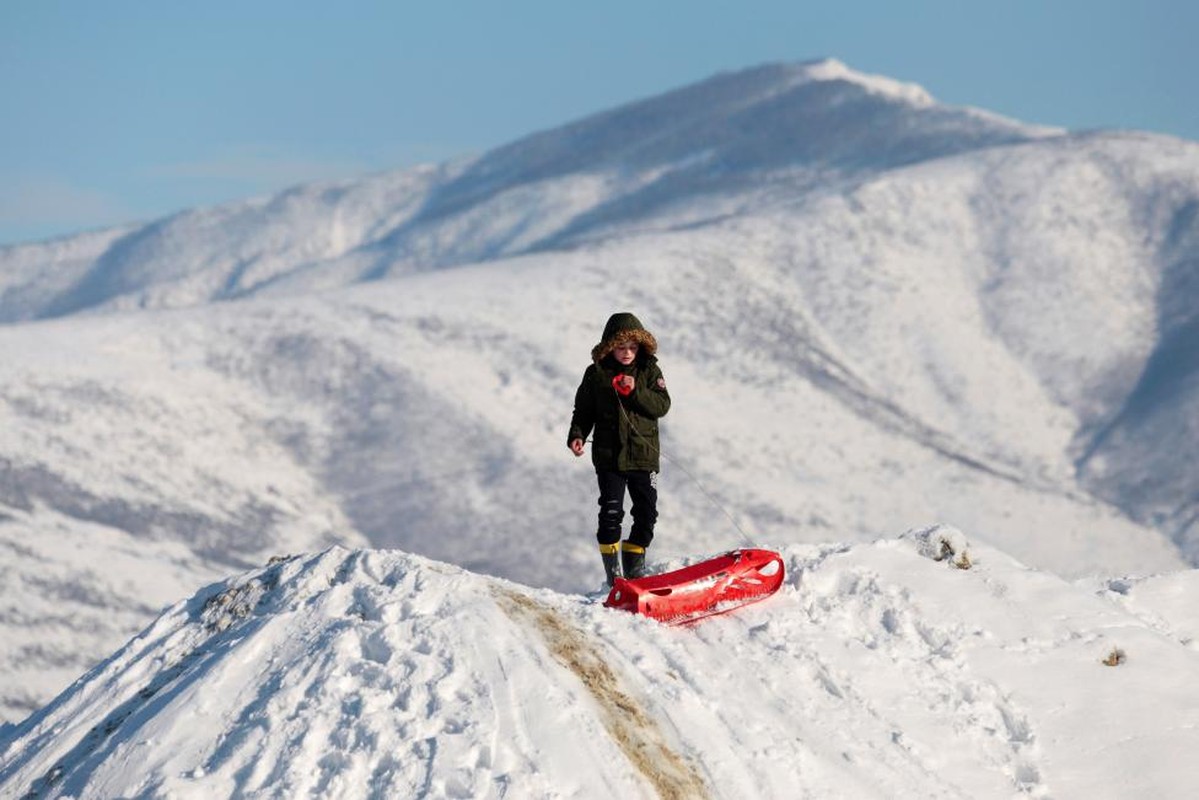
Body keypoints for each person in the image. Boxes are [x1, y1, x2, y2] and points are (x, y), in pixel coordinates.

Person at [568, 312, 671, 586]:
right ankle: (614, 578)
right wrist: (577, 434)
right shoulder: (595, 374)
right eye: (621, 347)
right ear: (609, 346)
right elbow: (583, 411)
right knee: (611, 513)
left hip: (643, 457)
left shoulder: (650, 370)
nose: (627, 353)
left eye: (633, 347)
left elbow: (662, 406)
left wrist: (635, 390)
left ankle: (635, 573)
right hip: (609, 458)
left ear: (641, 347)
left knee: (646, 514)